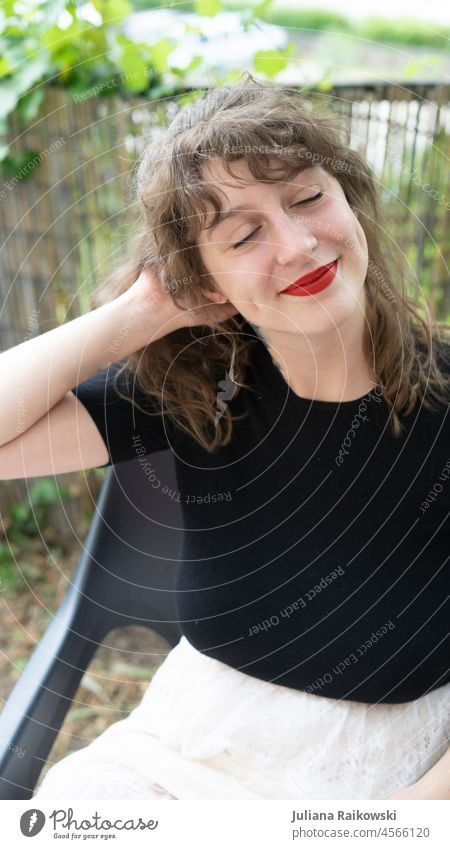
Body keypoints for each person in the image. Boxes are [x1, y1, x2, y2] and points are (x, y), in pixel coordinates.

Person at [1, 73, 449, 801]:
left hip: (390, 775)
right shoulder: (199, 387)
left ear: (349, 196)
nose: (300, 244)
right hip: (184, 748)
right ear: (202, 279)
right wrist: (136, 316)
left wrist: (408, 818)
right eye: (243, 235)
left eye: (308, 198)